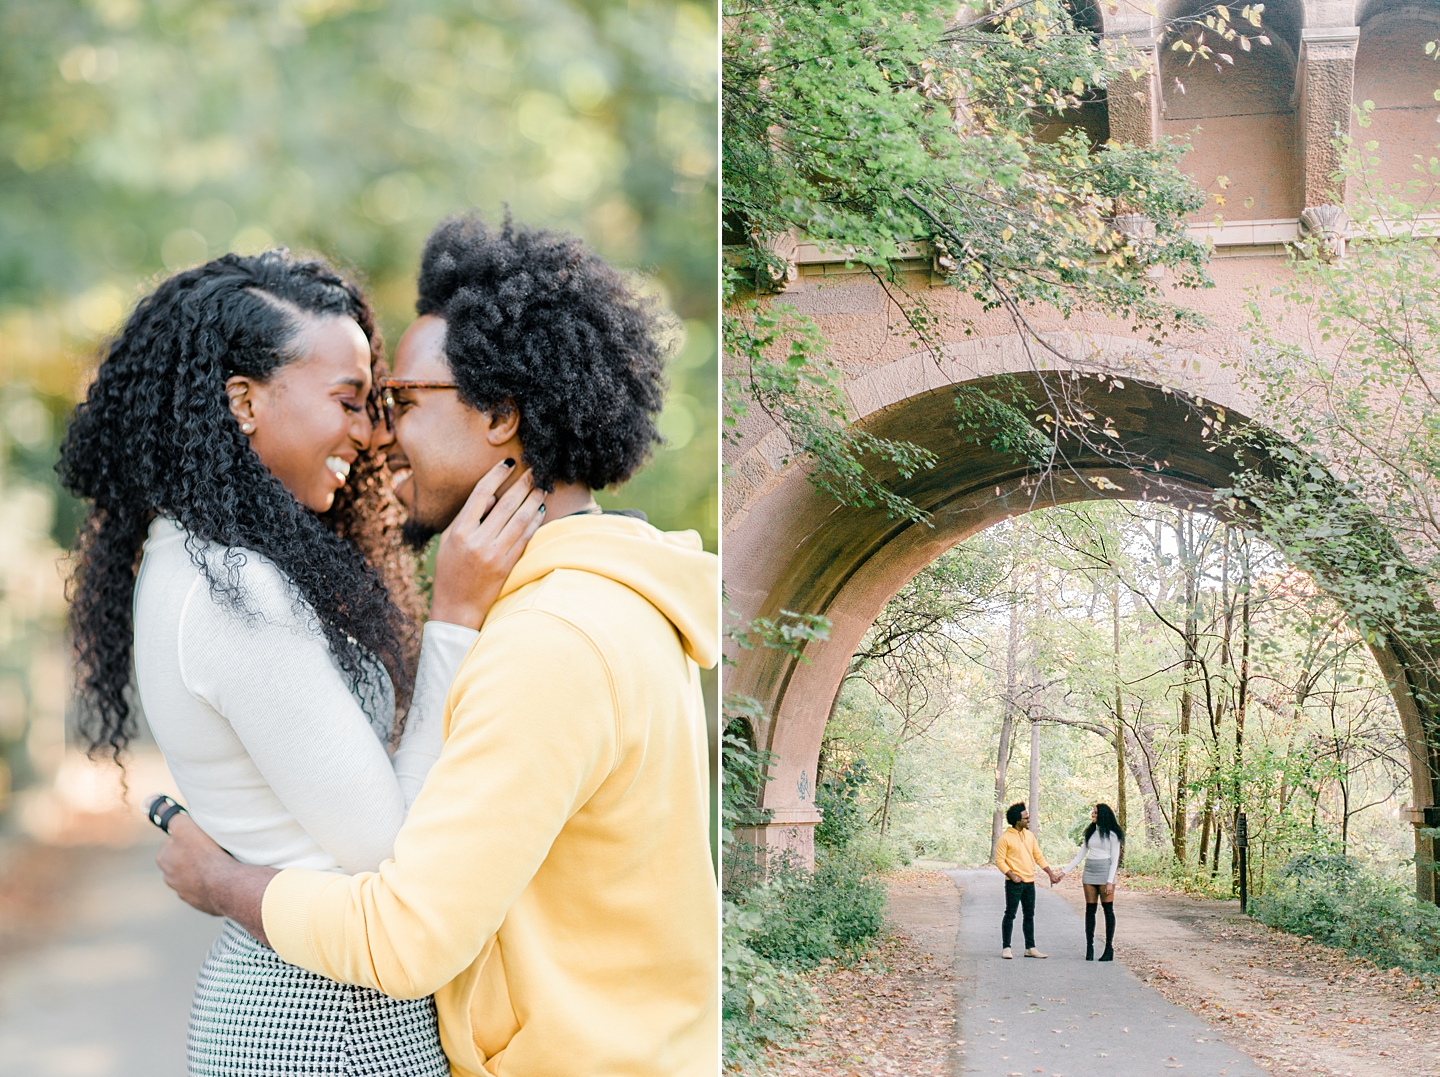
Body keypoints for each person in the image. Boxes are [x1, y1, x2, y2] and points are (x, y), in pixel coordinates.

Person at [154, 215, 720, 1077]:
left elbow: (407, 934)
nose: (380, 438)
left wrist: (222, 883)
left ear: (498, 414)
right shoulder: (610, 597)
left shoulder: (553, 640)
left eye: (402, 404)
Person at [57, 249, 546, 1075]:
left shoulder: (202, 558)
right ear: (243, 400)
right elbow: (389, 849)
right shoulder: (233, 588)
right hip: (329, 1022)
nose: (371, 432)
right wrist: (458, 615)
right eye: (349, 402)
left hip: (300, 992)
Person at [994, 801, 1062, 959]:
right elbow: (999, 861)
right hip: (1014, 883)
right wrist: (1012, 875)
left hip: (1029, 882)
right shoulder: (1005, 838)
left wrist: (1050, 873)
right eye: (1025, 818)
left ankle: (1030, 947)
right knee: (1010, 913)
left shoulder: (1029, 836)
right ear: (1017, 820)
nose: (1028, 820)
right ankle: (1006, 947)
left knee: (1029, 915)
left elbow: (1038, 856)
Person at [1064, 803, 1125, 961]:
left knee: (1107, 910)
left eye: (1096, 813)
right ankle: (1089, 947)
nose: (1093, 814)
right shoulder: (1090, 833)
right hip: (1090, 870)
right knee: (1090, 910)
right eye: (1093, 812)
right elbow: (1079, 856)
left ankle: (1108, 948)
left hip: (1105, 871)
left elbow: (1115, 859)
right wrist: (1063, 872)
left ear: (1103, 815)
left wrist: (1110, 881)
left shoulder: (1113, 835)